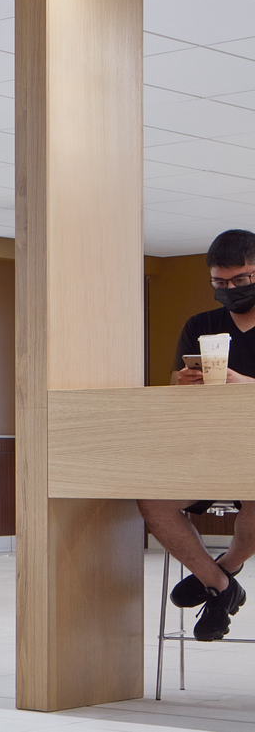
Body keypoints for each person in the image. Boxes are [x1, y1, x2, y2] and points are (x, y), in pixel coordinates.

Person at [141, 229, 255, 641]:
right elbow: (176, 391)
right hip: (206, 449)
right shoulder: (201, 325)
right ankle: (222, 586)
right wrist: (182, 384)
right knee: (153, 501)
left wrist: (246, 384)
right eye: (219, 283)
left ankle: (225, 568)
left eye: (240, 281)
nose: (229, 290)